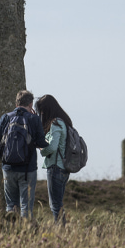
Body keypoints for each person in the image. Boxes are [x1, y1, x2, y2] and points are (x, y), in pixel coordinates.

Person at [0, 90, 48, 220]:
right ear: (30, 103)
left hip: (8, 168)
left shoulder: (6, 117)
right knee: (26, 205)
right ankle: (25, 232)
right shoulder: (34, 119)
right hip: (27, 169)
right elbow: (41, 142)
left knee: (11, 204)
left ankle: (11, 231)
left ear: (17, 102)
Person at [35, 94, 73, 224]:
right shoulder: (64, 121)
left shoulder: (55, 123)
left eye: (42, 110)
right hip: (63, 168)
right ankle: (62, 228)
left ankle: (60, 229)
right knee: (58, 203)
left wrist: (41, 148)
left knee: (55, 204)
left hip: (55, 167)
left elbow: (52, 147)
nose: (42, 113)